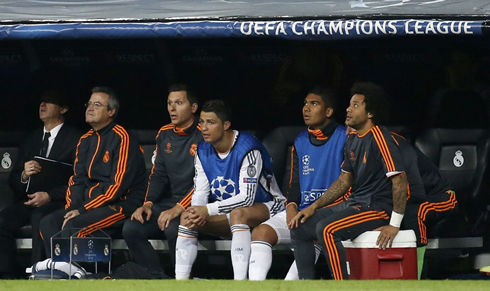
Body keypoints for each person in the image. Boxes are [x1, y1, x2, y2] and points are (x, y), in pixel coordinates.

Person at [289, 82, 411, 280]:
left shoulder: (380, 138)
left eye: (355, 105)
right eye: (349, 104)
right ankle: (306, 284)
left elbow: (400, 181)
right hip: (357, 203)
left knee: (327, 229)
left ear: (370, 113)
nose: (348, 109)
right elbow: (344, 180)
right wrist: (314, 207)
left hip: (377, 207)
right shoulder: (353, 139)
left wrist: (394, 223)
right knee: (300, 226)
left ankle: (342, 285)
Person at [174, 99, 286, 280]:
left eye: (211, 122)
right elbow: (201, 191)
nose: (204, 128)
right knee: (187, 217)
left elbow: (247, 198)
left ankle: (239, 283)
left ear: (226, 125)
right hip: (228, 212)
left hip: (269, 207)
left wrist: (207, 210)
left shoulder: (248, 148)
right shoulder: (203, 149)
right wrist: (196, 210)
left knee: (238, 213)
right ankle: (180, 281)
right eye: (201, 122)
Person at [248, 87, 347, 280]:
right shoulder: (300, 140)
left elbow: (350, 186)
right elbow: (294, 184)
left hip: (330, 213)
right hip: (301, 212)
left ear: (329, 111)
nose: (306, 109)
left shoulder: (346, 138)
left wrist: (316, 211)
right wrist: (291, 206)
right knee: (261, 232)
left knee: (312, 232)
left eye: (314, 104)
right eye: (305, 103)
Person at [39, 86, 147, 258]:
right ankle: (62, 271)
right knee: (49, 222)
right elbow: (77, 180)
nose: (90, 108)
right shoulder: (85, 140)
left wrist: (82, 210)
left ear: (111, 111)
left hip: (121, 204)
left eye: (97, 104)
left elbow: (116, 187)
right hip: (89, 206)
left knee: (75, 225)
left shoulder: (122, 138)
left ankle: (82, 274)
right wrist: (73, 208)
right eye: (89, 104)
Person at [122, 84, 202, 278]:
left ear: (193, 108)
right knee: (131, 228)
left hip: (198, 203)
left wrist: (178, 209)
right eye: (169, 103)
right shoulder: (164, 133)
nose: (172, 108)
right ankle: (157, 278)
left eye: (179, 103)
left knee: (175, 228)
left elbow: (204, 183)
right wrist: (148, 203)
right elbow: (158, 175)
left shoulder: (205, 133)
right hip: (168, 202)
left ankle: (183, 280)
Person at [0, 91, 81, 278]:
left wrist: (50, 195)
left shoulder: (77, 139)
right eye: (41, 102)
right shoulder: (31, 138)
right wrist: (23, 175)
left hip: (58, 201)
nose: (42, 105)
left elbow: (79, 179)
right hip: (29, 200)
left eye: (49, 102)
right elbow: (13, 180)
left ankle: (38, 273)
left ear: (63, 109)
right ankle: (5, 274)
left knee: (40, 218)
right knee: (3, 220)